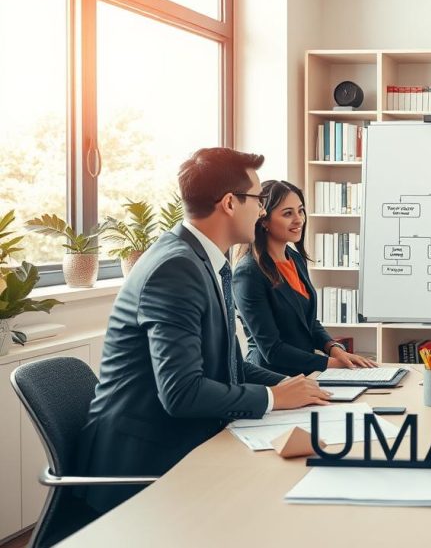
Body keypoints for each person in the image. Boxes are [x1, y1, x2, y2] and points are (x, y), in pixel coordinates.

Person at [76, 148, 332, 514]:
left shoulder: (202, 260)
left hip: (185, 440)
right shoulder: (175, 270)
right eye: (259, 199)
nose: (262, 211)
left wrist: (295, 388)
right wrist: (274, 398)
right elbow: (181, 393)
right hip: (145, 463)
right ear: (230, 202)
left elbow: (230, 364)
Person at [233, 180, 377, 375]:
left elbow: (308, 322)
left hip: (307, 374)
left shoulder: (295, 259)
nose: (299, 219)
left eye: (300, 211)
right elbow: (272, 350)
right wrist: (332, 365)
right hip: (273, 380)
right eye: (288, 213)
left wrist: (334, 349)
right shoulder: (248, 273)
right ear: (264, 220)